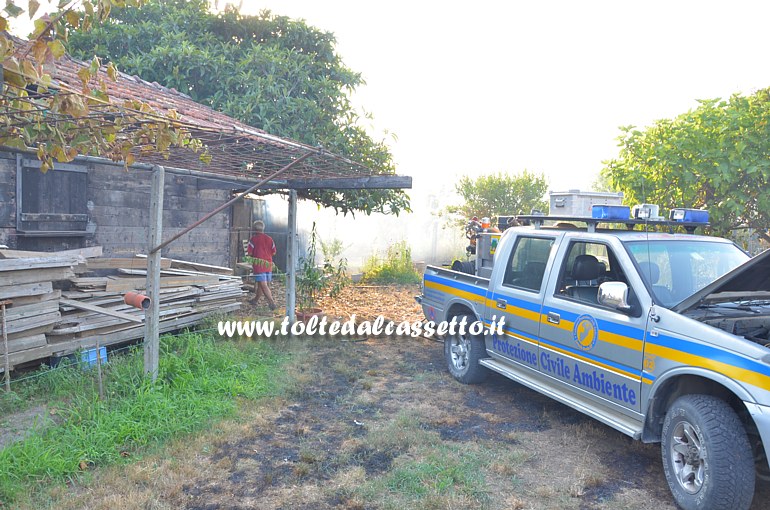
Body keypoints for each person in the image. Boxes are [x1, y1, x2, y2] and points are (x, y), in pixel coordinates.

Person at [247, 220, 277, 310]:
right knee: (262, 284)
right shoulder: (270, 239)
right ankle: (255, 300)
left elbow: (249, 253)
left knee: (263, 284)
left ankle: (271, 303)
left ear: (254, 229)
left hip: (259, 265)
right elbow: (274, 252)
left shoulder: (253, 239)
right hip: (268, 264)